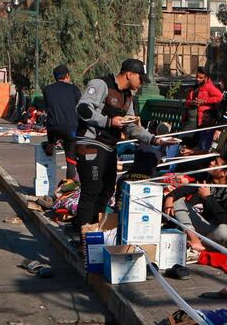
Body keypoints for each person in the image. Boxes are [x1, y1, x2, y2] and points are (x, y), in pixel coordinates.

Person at [75, 58, 176, 227]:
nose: (142, 83)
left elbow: (132, 127)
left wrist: (154, 140)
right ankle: (83, 236)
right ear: (129, 74)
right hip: (91, 143)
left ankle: (95, 230)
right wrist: (108, 122)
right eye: (141, 78)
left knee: (107, 189)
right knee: (92, 189)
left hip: (110, 147)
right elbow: (82, 109)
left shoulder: (127, 97)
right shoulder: (101, 85)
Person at [163, 147, 227, 252]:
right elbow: (183, 190)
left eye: (216, 163)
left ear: (223, 173)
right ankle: (194, 240)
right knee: (177, 201)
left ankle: (201, 245)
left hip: (218, 232)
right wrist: (169, 199)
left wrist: (208, 198)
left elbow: (226, 220)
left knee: (226, 232)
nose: (211, 162)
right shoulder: (207, 179)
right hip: (201, 228)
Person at [42, 65, 82, 179]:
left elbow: (48, 108)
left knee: (50, 145)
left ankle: (50, 147)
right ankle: (68, 189)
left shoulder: (47, 89)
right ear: (67, 76)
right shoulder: (74, 89)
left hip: (53, 128)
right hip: (70, 128)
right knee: (71, 160)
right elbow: (81, 107)